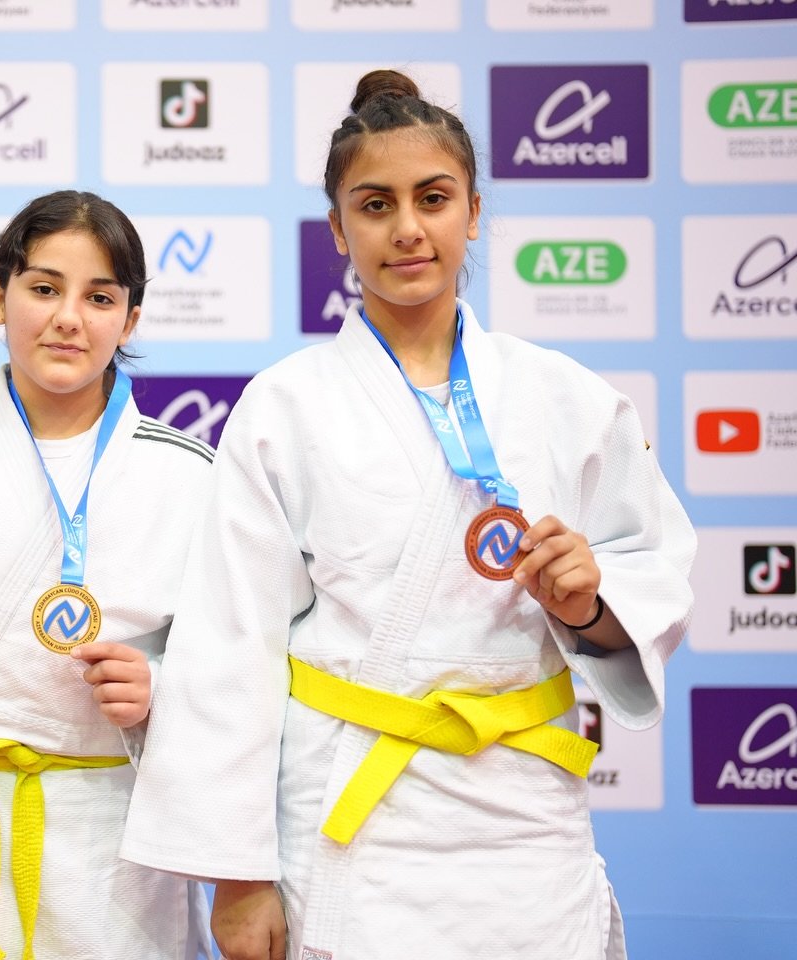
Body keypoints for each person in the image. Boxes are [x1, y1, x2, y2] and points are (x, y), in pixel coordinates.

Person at [121, 70, 697, 960]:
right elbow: (229, 648)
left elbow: (650, 573)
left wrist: (591, 603)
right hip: (354, 818)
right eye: (375, 205)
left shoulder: (568, 397)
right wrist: (237, 876)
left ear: (473, 211)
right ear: (338, 230)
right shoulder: (285, 407)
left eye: (433, 198)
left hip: (525, 818)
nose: (407, 229)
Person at [0, 190, 217, 960]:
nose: (68, 318)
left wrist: (160, 688)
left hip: (113, 832)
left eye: (100, 298)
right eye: (45, 288)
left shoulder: (191, 474)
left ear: (131, 320)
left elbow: (238, 670)